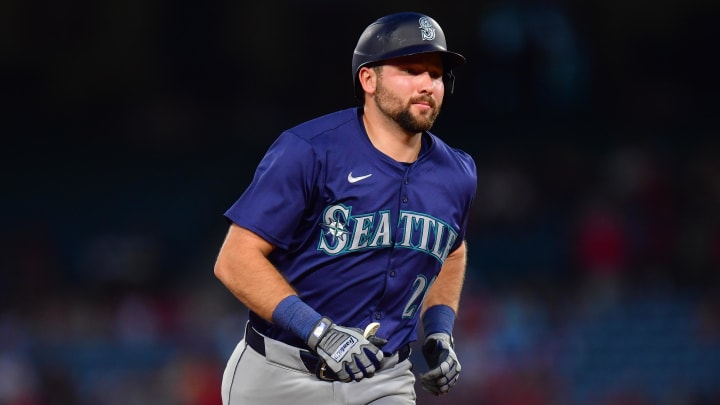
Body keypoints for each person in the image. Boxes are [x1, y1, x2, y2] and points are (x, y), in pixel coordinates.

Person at [214, 11, 477, 404]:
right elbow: (234, 260)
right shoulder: (309, 151)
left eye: (435, 74)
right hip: (281, 374)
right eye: (410, 69)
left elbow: (451, 250)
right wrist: (319, 331)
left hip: (384, 379)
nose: (427, 84)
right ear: (368, 79)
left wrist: (439, 329)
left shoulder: (457, 173)